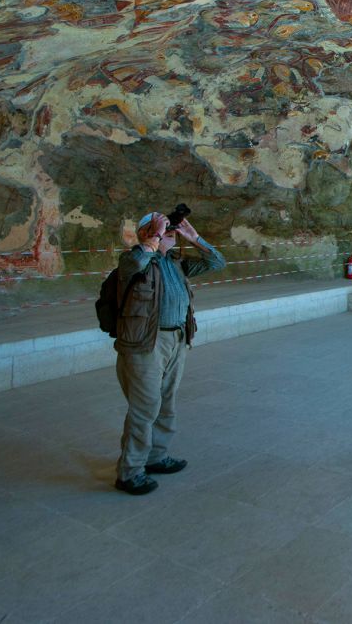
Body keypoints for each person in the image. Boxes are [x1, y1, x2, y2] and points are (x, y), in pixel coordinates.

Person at [112, 211, 226, 495]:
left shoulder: (175, 262)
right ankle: (130, 472)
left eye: (170, 228)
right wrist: (154, 237)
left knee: (166, 404)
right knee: (145, 408)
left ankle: (156, 457)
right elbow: (135, 263)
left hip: (176, 338)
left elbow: (217, 262)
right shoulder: (134, 259)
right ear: (145, 233)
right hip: (146, 343)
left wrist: (194, 238)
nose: (169, 231)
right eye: (163, 228)